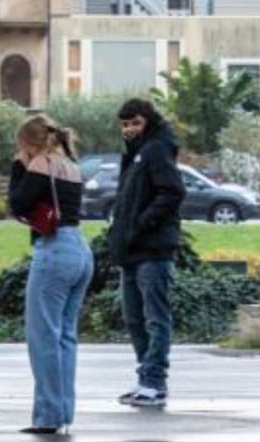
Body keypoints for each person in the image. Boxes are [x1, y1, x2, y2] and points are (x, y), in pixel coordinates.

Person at [9, 114, 94, 435]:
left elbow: (16, 204)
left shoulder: (41, 163)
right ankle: (63, 412)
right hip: (80, 249)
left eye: (21, 147)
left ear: (29, 143)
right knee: (65, 337)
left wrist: (19, 165)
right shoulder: (70, 163)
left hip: (54, 250)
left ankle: (47, 415)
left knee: (43, 336)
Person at [108, 98, 186, 408]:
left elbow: (173, 191)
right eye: (125, 125)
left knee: (155, 318)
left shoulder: (156, 148)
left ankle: (154, 381)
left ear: (148, 121)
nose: (129, 129)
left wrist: (142, 223)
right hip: (132, 250)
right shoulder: (137, 152)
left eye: (135, 123)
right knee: (134, 318)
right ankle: (146, 378)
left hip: (153, 250)